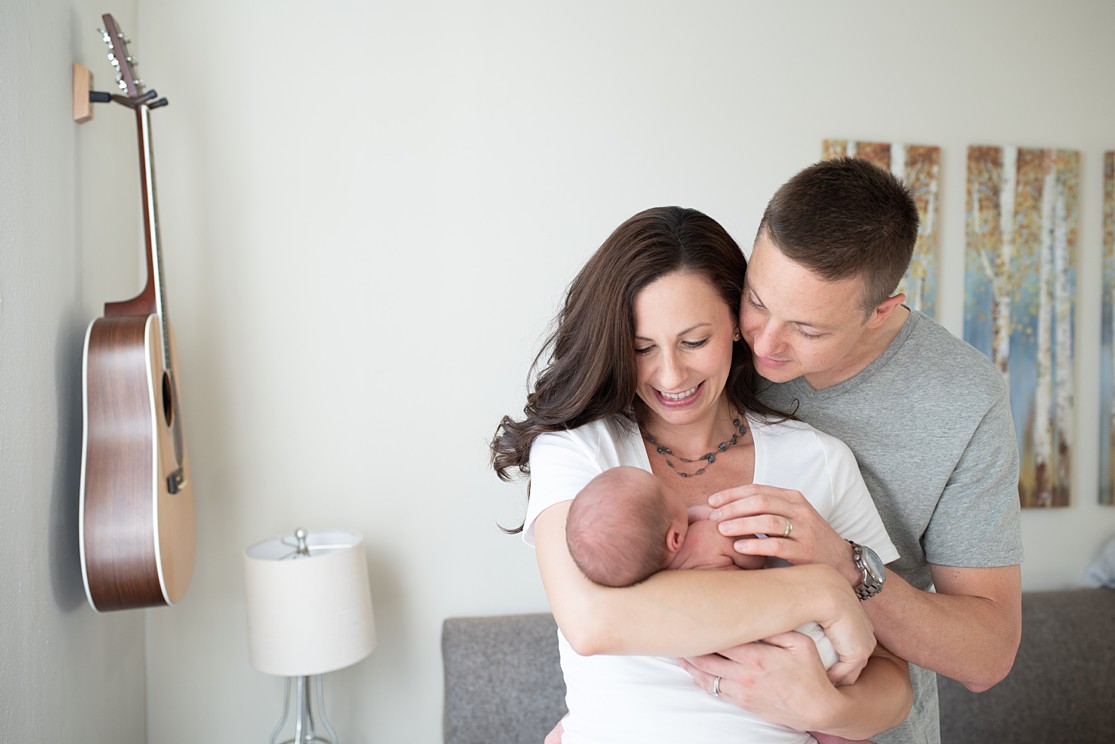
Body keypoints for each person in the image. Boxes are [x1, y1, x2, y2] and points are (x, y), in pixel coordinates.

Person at [491, 206, 912, 743]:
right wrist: (821, 590)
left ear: (738, 323)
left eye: (694, 342)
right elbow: (594, 622)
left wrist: (824, 710)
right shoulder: (582, 453)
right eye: (642, 348)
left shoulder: (819, 460)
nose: (670, 375)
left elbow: (894, 679)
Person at [680, 158, 1023, 744]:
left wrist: (845, 564)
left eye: (808, 331)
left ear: (881, 312)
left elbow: (988, 656)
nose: (762, 343)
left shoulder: (965, 399)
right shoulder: (709, 337)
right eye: (758, 301)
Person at [566, 465, 840, 671]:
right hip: (776, 631)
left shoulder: (650, 590)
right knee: (826, 658)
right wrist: (710, 520)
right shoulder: (710, 535)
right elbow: (755, 560)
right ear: (674, 538)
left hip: (725, 658)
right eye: (666, 493)